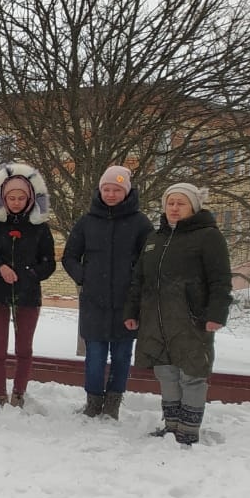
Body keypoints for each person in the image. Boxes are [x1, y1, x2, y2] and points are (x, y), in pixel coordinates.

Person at [125, 183, 231, 446]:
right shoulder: (154, 239)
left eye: (180, 203)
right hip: (155, 320)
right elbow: (138, 279)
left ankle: (188, 429)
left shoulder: (208, 236)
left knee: (192, 374)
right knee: (166, 373)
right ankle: (171, 426)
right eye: (170, 203)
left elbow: (220, 280)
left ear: (193, 207)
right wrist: (131, 311)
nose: (174, 208)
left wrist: (216, 313)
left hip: (191, 319)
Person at [62, 166, 152, 419]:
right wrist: (84, 277)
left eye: (116, 190)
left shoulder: (140, 223)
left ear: (126, 192)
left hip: (127, 303)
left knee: (122, 355)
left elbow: (149, 259)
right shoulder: (87, 221)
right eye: (107, 189)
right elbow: (69, 256)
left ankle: (113, 403)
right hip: (94, 302)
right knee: (95, 356)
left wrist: (135, 281)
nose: (111, 194)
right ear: (100, 191)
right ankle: (93, 402)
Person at [0, 164, 56, 408]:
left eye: (21, 197)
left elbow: (50, 262)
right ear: (3, 198)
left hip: (28, 295)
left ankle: (19, 392)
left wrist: (31, 273)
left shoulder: (39, 227)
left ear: (30, 198)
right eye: (12, 197)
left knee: (24, 348)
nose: (17, 202)